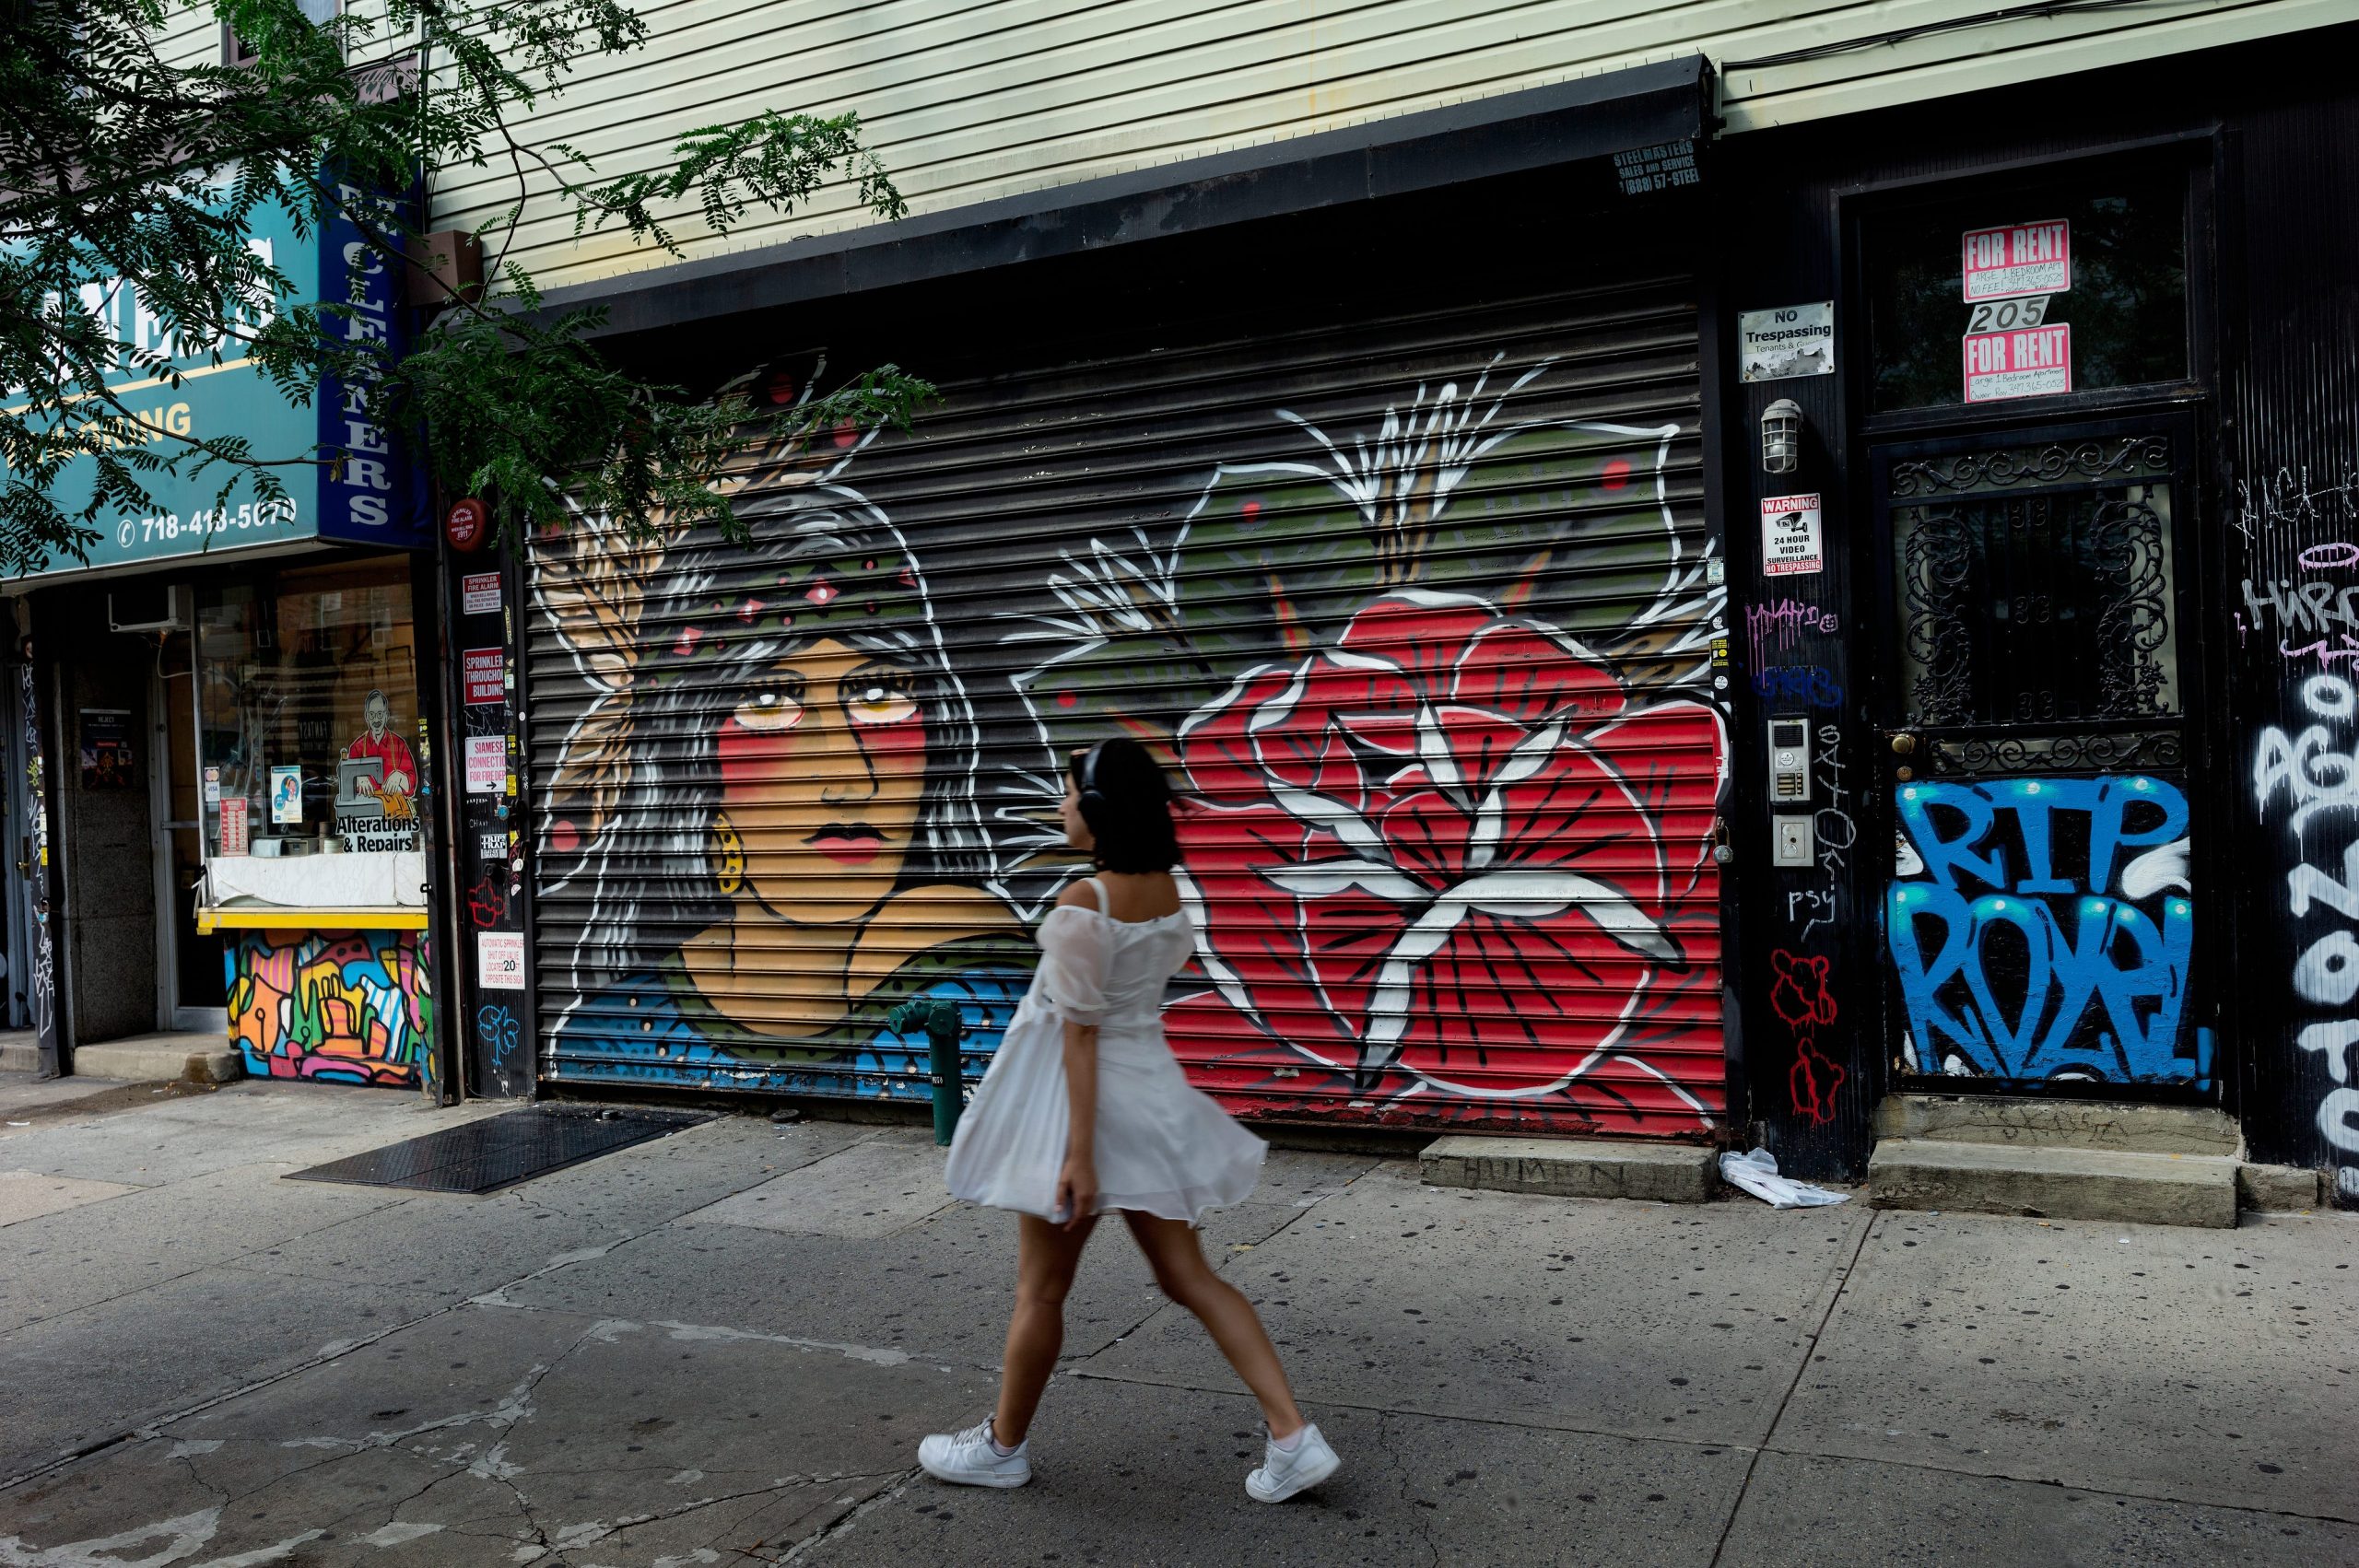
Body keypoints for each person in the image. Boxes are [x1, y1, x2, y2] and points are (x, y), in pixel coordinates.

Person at [918, 737, 1342, 1504]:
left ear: (1100, 809)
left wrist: (1078, 1156)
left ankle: (1002, 1449)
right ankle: (1293, 1437)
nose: (1060, 806)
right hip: (1150, 1100)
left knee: (1041, 1292)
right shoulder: (1165, 891)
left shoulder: (1086, 903)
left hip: (1082, 1113)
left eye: (1068, 793)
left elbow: (1080, 1035)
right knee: (1191, 1277)